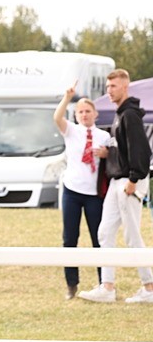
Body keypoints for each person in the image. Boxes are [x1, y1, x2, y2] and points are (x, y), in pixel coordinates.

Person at [80, 69, 153, 303]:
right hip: (117, 180)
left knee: (132, 236)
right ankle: (107, 286)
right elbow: (125, 148)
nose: (108, 91)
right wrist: (109, 152)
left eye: (113, 86)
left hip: (128, 181)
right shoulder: (120, 114)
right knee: (105, 232)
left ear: (125, 87)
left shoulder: (130, 115)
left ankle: (149, 287)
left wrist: (133, 179)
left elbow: (142, 151)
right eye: (107, 87)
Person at [54, 85, 111, 300]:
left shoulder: (103, 135)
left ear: (95, 114)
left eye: (88, 111)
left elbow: (113, 160)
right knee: (70, 237)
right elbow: (57, 118)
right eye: (80, 112)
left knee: (98, 237)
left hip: (93, 193)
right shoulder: (71, 131)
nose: (85, 115)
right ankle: (71, 283)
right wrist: (66, 98)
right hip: (72, 190)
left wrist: (106, 154)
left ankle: (102, 283)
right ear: (76, 115)